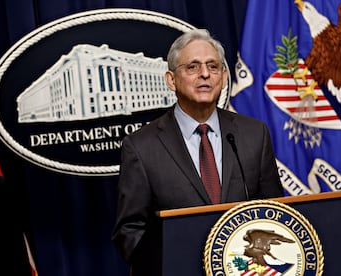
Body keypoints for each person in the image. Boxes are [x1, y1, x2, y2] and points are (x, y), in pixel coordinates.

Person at [111, 29, 284, 268]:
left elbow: (276, 213)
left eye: (213, 67)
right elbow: (129, 231)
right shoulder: (141, 147)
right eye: (192, 67)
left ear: (224, 77)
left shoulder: (254, 134)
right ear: (171, 80)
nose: (204, 74)